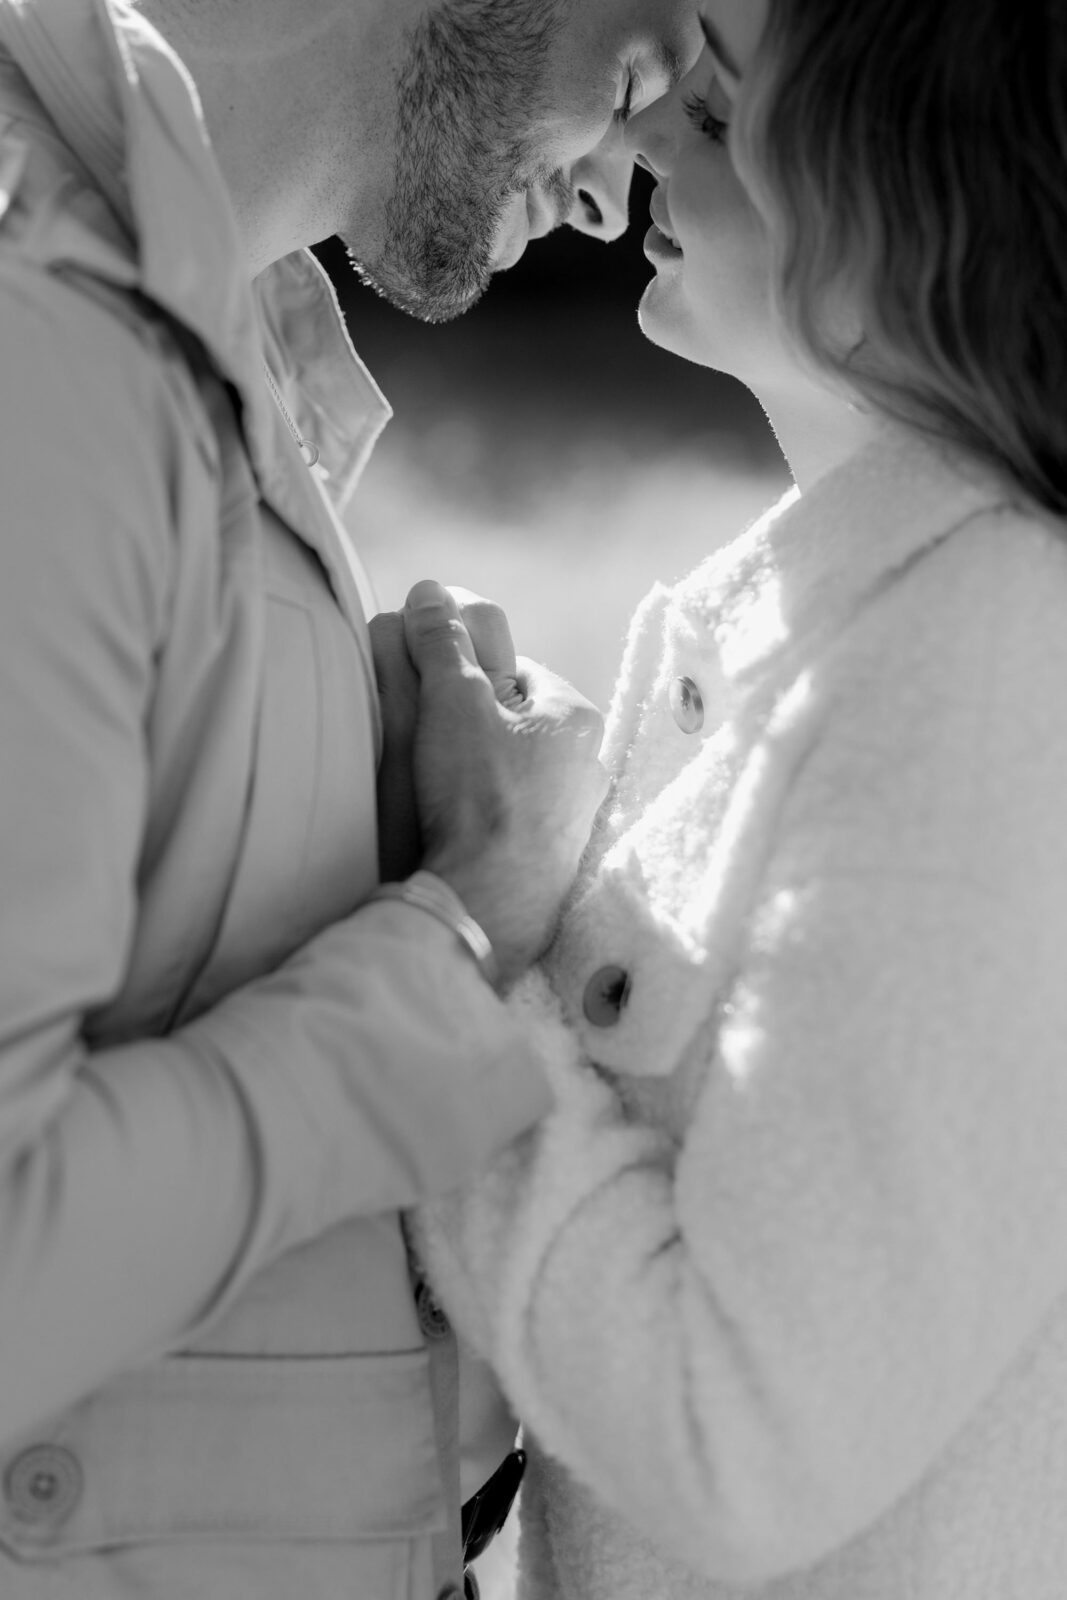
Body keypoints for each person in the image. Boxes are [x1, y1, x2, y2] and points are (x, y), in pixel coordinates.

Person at [0, 0, 703, 1596]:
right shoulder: (41, 345)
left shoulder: (193, 332)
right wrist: (459, 926)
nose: (613, 193)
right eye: (641, 74)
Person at [410, 0, 1067, 1595]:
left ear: (902, 219)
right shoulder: (834, 623)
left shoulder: (980, 680)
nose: (632, 143)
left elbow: (738, 1437)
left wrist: (447, 968)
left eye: (714, 124)